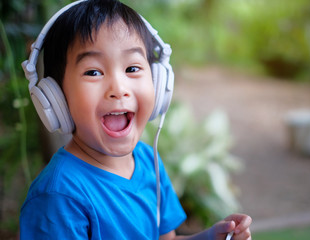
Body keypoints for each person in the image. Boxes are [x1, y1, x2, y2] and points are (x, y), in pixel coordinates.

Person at [20, 0, 252, 239]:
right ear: (55, 97)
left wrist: (211, 237)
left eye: (132, 68)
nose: (119, 89)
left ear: (158, 83)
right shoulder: (59, 196)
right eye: (93, 72)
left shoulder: (148, 161)